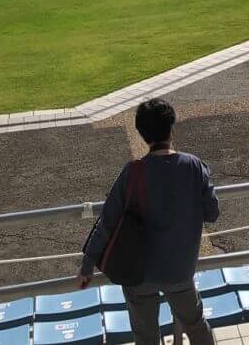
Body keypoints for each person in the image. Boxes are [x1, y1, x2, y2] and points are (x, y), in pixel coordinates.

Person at [78, 98, 219, 345]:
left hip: (139, 272)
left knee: (145, 336)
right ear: (172, 127)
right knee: (196, 326)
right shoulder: (194, 166)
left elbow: (107, 221)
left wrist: (87, 265)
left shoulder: (132, 172)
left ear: (142, 134)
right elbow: (212, 213)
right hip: (180, 269)